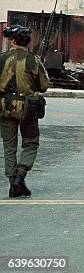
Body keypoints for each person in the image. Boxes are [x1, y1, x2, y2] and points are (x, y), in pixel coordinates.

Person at [0, 25, 50, 198]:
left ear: (13, 41)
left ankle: (12, 182)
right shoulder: (33, 60)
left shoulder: (2, 59)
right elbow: (44, 86)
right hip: (28, 107)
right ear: (27, 41)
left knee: (9, 146)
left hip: (5, 106)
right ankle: (20, 177)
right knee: (30, 143)